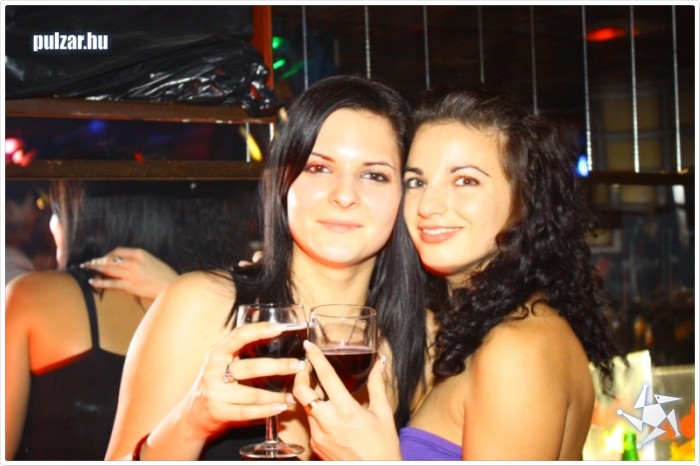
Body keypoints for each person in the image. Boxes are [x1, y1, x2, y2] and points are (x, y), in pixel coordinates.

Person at [104, 75, 427, 461]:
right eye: (318, 168)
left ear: (405, 193)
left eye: (374, 175)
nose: (344, 195)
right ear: (284, 182)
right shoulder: (203, 307)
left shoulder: (420, 338)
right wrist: (191, 421)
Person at [294, 83, 620, 460]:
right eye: (417, 182)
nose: (429, 205)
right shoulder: (474, 332)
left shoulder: (515, 349)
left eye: (465, 181)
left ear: (524, 201)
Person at [4, 180, 192, 460]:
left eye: (56, 211)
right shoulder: (193, 297)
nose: (51, 224)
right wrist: (181, 290)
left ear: (80, 220)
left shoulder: (30, 295)